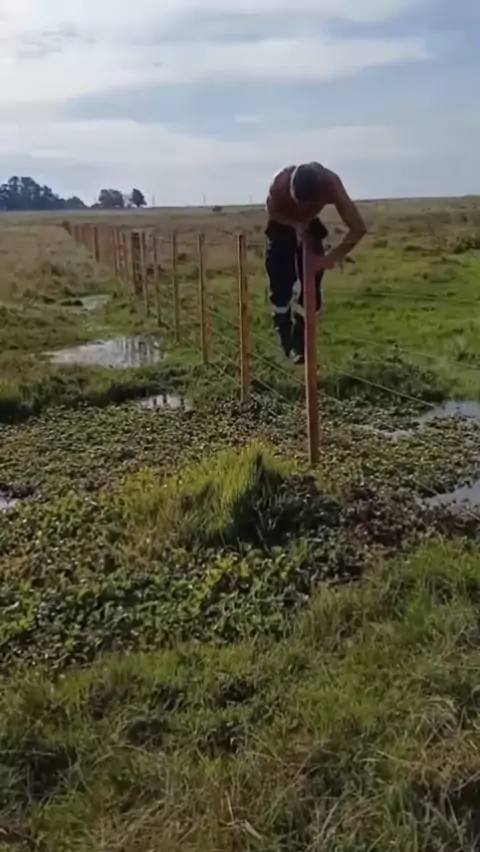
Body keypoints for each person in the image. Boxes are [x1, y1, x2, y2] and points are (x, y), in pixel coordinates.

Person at [265, 162, 367, 364]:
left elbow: (358, 228)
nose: (302, 208)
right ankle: (283, 330)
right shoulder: (279, 184)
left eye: (308, 204)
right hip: (283, 222)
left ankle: (301, 337)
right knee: (281, 280)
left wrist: (331, 257)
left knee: (312, 280)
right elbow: (272, 211)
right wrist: (295, 225)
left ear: (321, 194)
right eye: (299, 202)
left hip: (310, 224)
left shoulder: (331, 184)